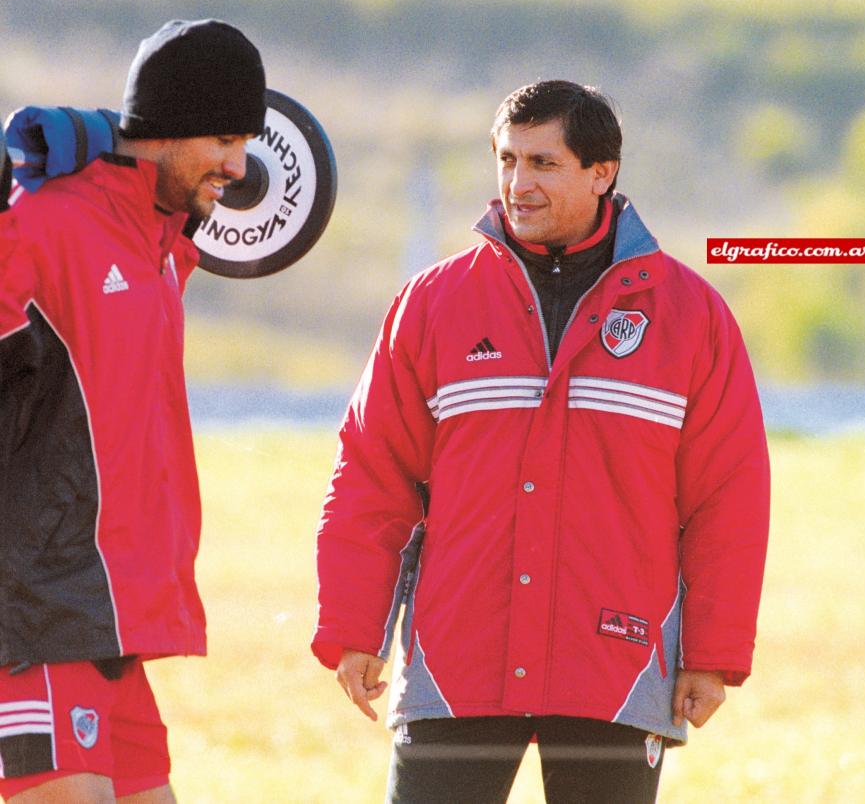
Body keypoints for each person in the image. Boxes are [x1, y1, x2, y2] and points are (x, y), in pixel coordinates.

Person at [312, 80, 770, 803]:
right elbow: (373, 473)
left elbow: (728, 498)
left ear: (602, 172)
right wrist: (351, 623)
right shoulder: (431, 305)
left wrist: (712, 655)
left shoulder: (692, 319)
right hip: (457, 659)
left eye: (543, 163)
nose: (517, 184)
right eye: (507, 159)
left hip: (613, 664)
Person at [0, 19, 266, 802]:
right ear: (163, 130)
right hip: (33, 622)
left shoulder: (159, 250)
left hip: (108, 628)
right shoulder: (43, 228)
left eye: (247, 140)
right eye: (222, 137)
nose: (239, 166)